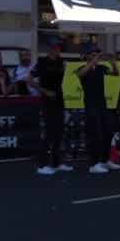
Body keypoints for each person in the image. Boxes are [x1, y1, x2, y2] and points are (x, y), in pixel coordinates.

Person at [75, 43, 120, 174]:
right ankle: (93, 164)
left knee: (108, 132)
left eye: (97, 54)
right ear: (87, 56)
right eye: (93, 54)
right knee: (95, 134)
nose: (96, 57)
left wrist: (113, 63)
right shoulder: (82, 68)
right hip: (91, 105)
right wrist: (94, 61)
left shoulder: (101, 68)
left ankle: (105, 160)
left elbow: (115, 73)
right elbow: (80, 74)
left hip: (102, 104)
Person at [29, 38, 70, 175]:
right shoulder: (42, 62)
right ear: (49, 49)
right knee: (49, 132)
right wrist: (45, 91)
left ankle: (56, 163)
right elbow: (28, 79)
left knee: (59, 132)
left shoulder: (61, 62)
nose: (57, 49)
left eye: (58, 47)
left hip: (60, 101)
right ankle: (42, 165)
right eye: (54, 47)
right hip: (47, 102)